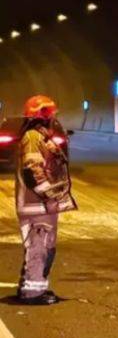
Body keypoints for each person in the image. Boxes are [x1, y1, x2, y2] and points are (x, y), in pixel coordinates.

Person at [14, 95, 76, 305]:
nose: (52, 118)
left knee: (44, 249)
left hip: (42, 206)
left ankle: (37, 288)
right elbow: (33, 171)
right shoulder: (32, 137)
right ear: (43, 116)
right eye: (50, 114)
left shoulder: (39, 136)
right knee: (38, 249)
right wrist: (49, 196)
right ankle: (32, 294)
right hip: (36, 206)